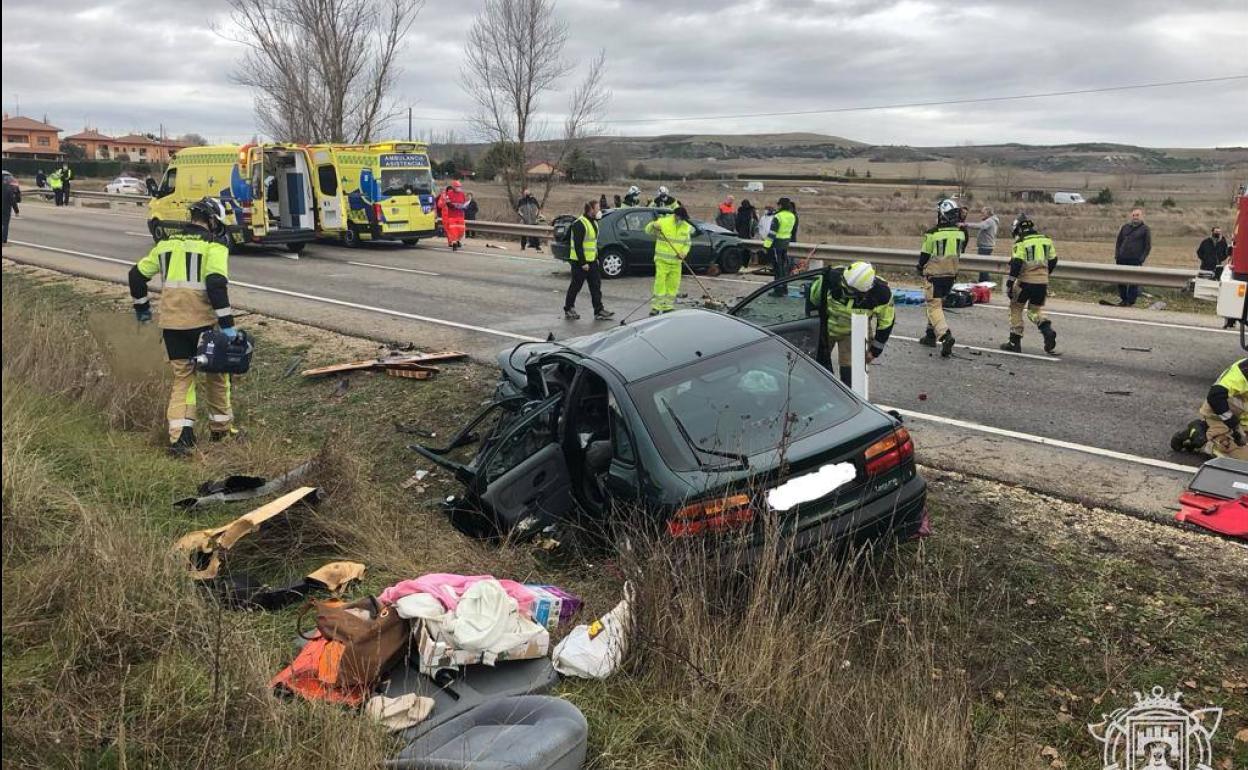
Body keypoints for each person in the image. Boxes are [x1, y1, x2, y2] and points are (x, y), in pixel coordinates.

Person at [128, 197, 238, 455]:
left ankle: (181, 439)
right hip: (203, 325)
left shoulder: (165, 244)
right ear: (212, 220)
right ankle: (221, 432)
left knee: (182, 380)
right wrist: (228, 325)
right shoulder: (214, 247)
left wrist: (142, 308)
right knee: (217, 377)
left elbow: (136, 275)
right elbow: (215, 285)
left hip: (172, 326)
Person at [808, 262, 896, 386]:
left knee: (852, 375)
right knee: (817, 368)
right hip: (826, 328)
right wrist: (811, 329)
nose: (845, 291)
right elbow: (812, 301)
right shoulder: (830, 279)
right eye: (845, 285)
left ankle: (849, 399)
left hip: (854, 332)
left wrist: (875, 351)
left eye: (851, 290)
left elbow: (886, 323)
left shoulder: (881, 294)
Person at [1000, 213, 1059, 355]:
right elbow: (1053, 260)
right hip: (1042, 282)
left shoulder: (1021, 242)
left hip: (1025, 282)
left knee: (1016, 307)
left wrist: (1010, 282)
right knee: (1034, 311)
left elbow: (1017, 263)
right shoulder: (1046, 240)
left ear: (1018, 229)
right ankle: (1046, 328)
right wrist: (1045, 274)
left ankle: (1015, 341)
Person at [917, 198, 967, 357]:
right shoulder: (960, 233)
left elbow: (925, 255)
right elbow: (963, 248)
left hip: (934, 275)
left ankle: (945, 336)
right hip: (951, 275)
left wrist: (919, 267)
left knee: (933, 306)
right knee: (937, 304)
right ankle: (930, 335)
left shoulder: (932, 233)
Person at [1172, 359, 1248, 460]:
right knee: (1242, 461)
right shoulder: (1242, 371)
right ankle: (1205, 440)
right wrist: (1235, 425)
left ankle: (1207, 429)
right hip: (1222, 415)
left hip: (1244, 421)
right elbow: (1215, 396)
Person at [563, 199, 614, 321]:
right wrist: (583, 262)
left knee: (596, 286)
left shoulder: (594, 223)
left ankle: (599, 310)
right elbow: (578, 245)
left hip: (592, 261)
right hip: (580, 262)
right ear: (591, 210)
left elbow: (592, 244)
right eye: (597, 208)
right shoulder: (580, 224)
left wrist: (595, 258)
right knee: (576, 286)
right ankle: (569, 308)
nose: (599, 211)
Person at [645, 205, 695, 315]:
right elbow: (647, 230)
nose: (681, 220)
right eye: (680, 218)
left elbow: (687, 243)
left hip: (676, 262)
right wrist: (653, 225)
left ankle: (668, 306)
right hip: (662, 260)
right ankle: (656, 307)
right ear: (676, 216)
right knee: (660, 284)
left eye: (683, 219)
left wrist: (684, 253)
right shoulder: (663, 222)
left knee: (673, 285)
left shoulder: (686, 227)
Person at [1103, 208, 1151, 306]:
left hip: (1135, 259)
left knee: (1133, 281)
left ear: (1142, 216)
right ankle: (1123, 299)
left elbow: (1148, 246)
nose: (1135, 217)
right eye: (1133, 215)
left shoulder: (1145, 229)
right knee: (1121, 280)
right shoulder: (1125, 227)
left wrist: (1141, 258)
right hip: (1122, 258)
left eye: (1137, 215)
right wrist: (1117, 255)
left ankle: (1130, 301)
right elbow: (1118, 242)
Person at [767, 197, 798, 294]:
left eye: (778, 204)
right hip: (786, 243)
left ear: (781, 205)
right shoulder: (792, 216)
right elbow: (792, 231)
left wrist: (766, 245)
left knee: (777, 268)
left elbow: (772, 233)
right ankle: (784, 288)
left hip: (777, 244)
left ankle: (778, 290)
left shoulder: (778, 216)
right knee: (784, 267)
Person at [963, 206, 999, 282]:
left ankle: (984, 283)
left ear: (988, 213)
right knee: (983, 267)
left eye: (983, 213)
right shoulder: (991, 220)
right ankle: (983, 283)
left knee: (983, 268)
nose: (981, 214)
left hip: (985, 247)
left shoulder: (990, 221)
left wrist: (966, 225)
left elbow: (980, 226)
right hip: (986, 246)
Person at [441, 179, 468, 250]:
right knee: (453, 230)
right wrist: (454, 205)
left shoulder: (462, 194)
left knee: (461, 230)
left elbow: (464, 203)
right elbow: (447, 203)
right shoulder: (449, 194)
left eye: (460, 187)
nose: (459, 188)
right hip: (452, 216)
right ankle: (454, 243)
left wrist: (463, 206)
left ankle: (457, 240)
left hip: (460, 215)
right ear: (454, 187)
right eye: (457, 187)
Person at [1, 173, 17, 246]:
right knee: (5, 225)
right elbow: (12, 201)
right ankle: (4, 240)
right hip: (6, 209)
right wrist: (16, 210)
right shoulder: (9, 189)